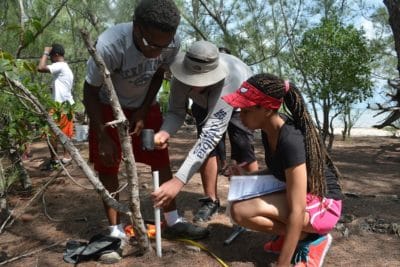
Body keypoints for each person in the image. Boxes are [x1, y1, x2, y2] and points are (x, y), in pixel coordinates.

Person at [83, 0, 208, 262]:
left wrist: (142, 110)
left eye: (164, 45)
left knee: (159, 158)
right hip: (105, 107)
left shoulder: (170, 43)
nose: (157, 52)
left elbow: (159, 74)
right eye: (152, 45)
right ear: (137, 28)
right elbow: (90, 92)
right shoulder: (110, 45)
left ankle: (172, 222)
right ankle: (115, 232)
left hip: (145, 108)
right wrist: (103, 135)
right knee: (109, 165)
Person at [221, 73, 343, 266]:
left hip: (323, 205)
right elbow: (281, 171)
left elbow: (297, 209)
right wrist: (248, 176)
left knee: (242, 210)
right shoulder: (269, 130)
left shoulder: (290, 140)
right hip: (306, 196)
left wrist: (282, 263)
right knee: (239, 208)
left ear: (267, 110)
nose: (240, 116)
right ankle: (301, 236)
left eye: (245, 110)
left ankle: (313, 241)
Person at [153, 40, 259, 222]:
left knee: (242, 147)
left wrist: (178, 181)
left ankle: (251, 201)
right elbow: (176, 112)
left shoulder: (230, 78)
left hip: (239, 101)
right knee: (208, 151)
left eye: (199, 80)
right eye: (189, 77)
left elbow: (211, 135)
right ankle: (211, 200)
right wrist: (165, 132)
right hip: (203, 103)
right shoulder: (179, 75)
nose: (193, 84)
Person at [37, 43, 74, 171]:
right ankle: (66, 157)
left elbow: (40, 68)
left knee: (49, 133)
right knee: (64, 133)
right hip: (67, 105)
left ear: (56, 55)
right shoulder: (66, 68)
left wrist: (45, 52)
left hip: (60, 106)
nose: (50, 58)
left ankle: (54, 160)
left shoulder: (59, 65)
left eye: (51, 56)